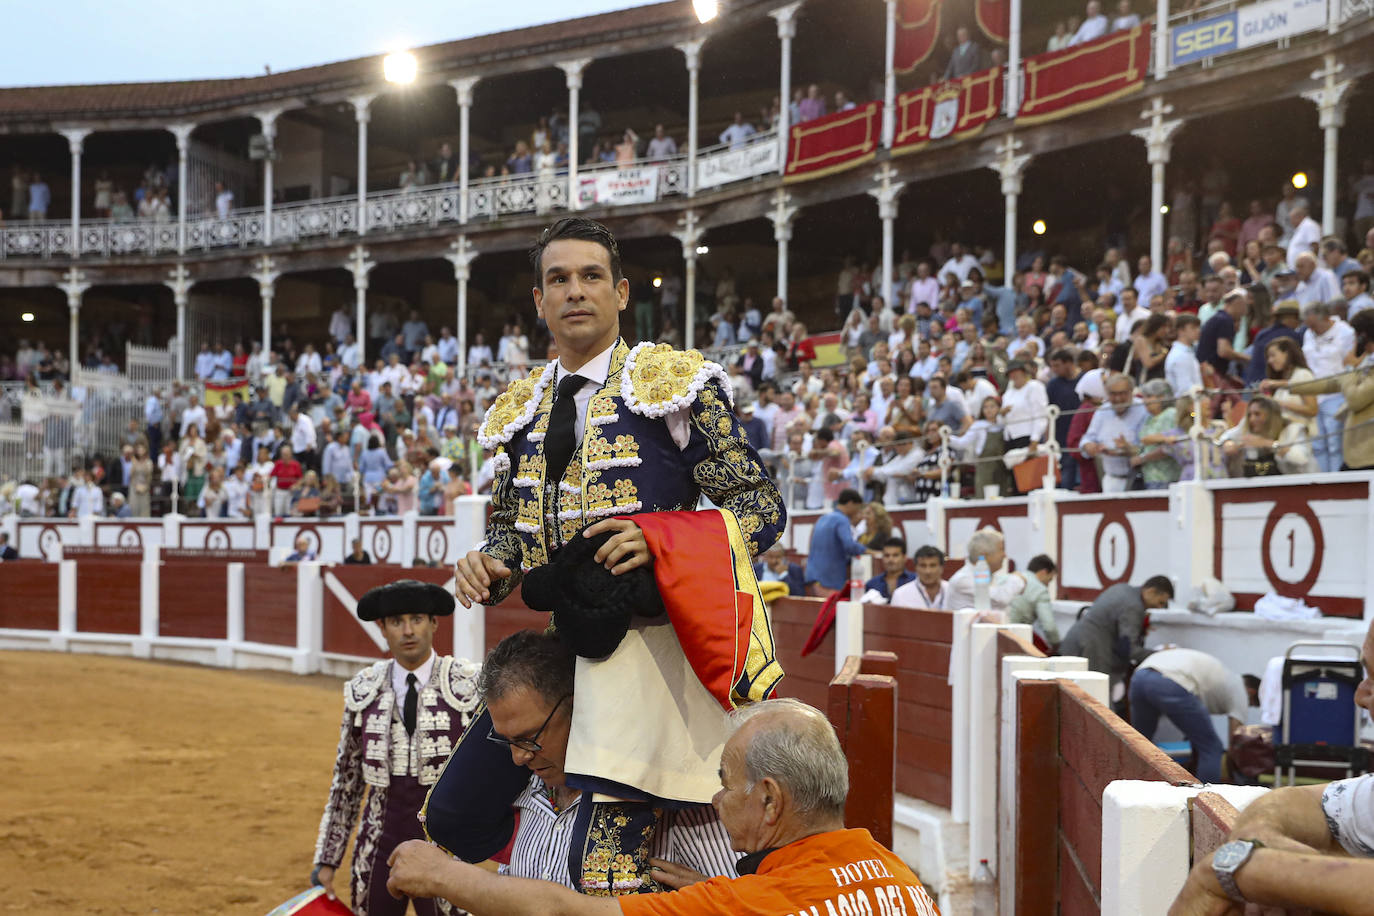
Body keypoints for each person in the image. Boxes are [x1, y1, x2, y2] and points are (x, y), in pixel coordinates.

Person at [446, 217, 785, 892]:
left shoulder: (674, 385)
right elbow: (512, 527)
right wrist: (489, 559)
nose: (576, 291)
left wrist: (662, 545)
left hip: (653, 654)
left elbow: (759, 508)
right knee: (456, 812)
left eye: (591, 276)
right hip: (560, 647)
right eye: (559, 279)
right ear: (539, 301)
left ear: (622, 292)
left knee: (607, 864)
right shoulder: (522, 410)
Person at [385, 698, 939, 916]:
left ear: (769, 800)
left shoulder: (745, 903)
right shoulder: (905, 881)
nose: (717, 799)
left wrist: (440, 873)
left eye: (725, 783)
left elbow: (562, 912)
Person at [476, 630, 738, 890]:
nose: (519, 757)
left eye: (530, 737)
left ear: (578, 707)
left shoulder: (674, 797)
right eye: (508, 741)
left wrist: (720, 901)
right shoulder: (528, 791)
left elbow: (744, 899)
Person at [1168, 616, 1374, 914]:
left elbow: (1235, 731)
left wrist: (1251, 873)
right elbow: (1290, 802)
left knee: (1211, 747)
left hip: (1149, 682)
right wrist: (1266, 849)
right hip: (1169, 685)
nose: (1359, 696)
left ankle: (1207, 783)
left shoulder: (1234, 691)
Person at [311, 580, 479, 916]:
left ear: (433, 623)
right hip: (378, 841)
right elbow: (346, 783)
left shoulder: (467, 684)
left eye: (417, 618)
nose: (407, 631)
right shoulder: (364, 689)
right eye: (396, 622)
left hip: (445, 843)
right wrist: (327, 860)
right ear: (382, 629)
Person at [1129, 648, 1258, 785]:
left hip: (1140, 676)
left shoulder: (1224, 678)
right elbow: (1236, 740)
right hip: (1171, 681)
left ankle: (1131, 787)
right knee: (1212, 747)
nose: (1248, 706)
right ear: (1251, 692)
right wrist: (1238, 771)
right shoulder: (1240, 690)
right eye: (1252, 704)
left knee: (1141, 743)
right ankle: (1207, 799)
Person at [1059, 576, 1175, 694]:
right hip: (1093, 649)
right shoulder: (1134, 607)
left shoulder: (1122, 588)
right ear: (1151, 591)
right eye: (1161, 602)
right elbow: (1130, 649)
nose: (1159, 607)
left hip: (1074, 641)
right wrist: (1159, 655)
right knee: (1098, 697)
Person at [1081, 373, 1149, 492]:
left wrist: (1127, 449)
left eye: (1122, 393)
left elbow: (1149, 446)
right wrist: (1088, 446)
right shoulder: (1103, 411)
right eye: (1113, 394)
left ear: (1131, 391)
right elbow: (1088, 438)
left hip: (1139, 479)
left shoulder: (1143, 409)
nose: (1118, 399)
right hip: (1111, 479)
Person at [804, 489, 868, 597]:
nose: (858, 512)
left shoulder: (823, 518)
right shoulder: (842, 520)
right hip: (829, 580)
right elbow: (849, 546)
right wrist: (868, 550)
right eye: (858, 507)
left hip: (813, 576)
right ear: (850, 503)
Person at [945, 528, 1024, 613]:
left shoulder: (990, 575)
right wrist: (1018, 579)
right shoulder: (963, 579)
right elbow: (1001, 598)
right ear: (985, 555)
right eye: (1001, 550)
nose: (1004, 555)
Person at [1007, 554, 1060, 648]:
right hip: (1015, 636)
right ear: (1043, 572)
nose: (1048, 585)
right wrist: (1057, 646)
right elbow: (1049, 627)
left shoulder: (1012, 577)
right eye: (1050, 579)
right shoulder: (1040, 590)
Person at [890, 545, 949, 610]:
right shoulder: (900, 595)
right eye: (923, 566)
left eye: (933, 565)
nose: (928, 571)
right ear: (915, 568)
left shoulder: (952, 591)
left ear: (941, 568)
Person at [863, 537, 914, 601]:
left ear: (904, 557)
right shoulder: (872, 584)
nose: (890, 559)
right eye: (887, 555)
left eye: (895, 555)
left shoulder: (914, 581)